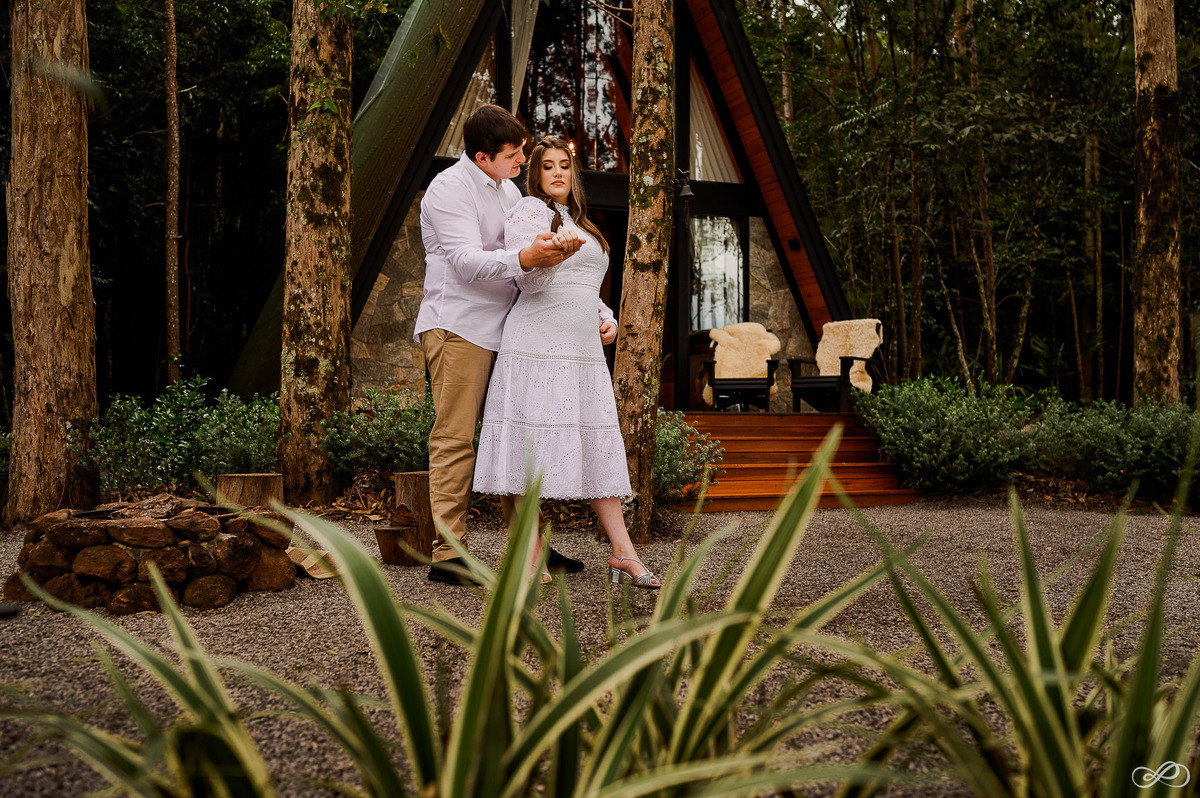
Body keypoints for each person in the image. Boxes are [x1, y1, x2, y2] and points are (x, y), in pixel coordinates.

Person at [473, 136, 661, 589]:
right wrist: (552, 255)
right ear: (536, 174)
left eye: (564, 166)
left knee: (597, 449)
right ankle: (531, 555)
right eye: (547, 166)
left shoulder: (584, 223)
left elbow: (587, 287)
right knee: (529, 447)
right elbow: (529, 279)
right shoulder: (530, 212)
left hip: (581, 352)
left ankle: (623, 553)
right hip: (537, 344)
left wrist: (606, 318)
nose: (557, 173)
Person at [415, 105, 585, 586]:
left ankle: (529, 549)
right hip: (459, 328)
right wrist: (527, 256)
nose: (522, 160)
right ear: (482, 156)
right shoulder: (448, 190)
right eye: (513, 154)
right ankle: (449, 555)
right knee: (455, 438)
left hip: (510, 329)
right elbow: (468, 262)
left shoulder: (509, 188)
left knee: (517, 435)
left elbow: (527, 247)